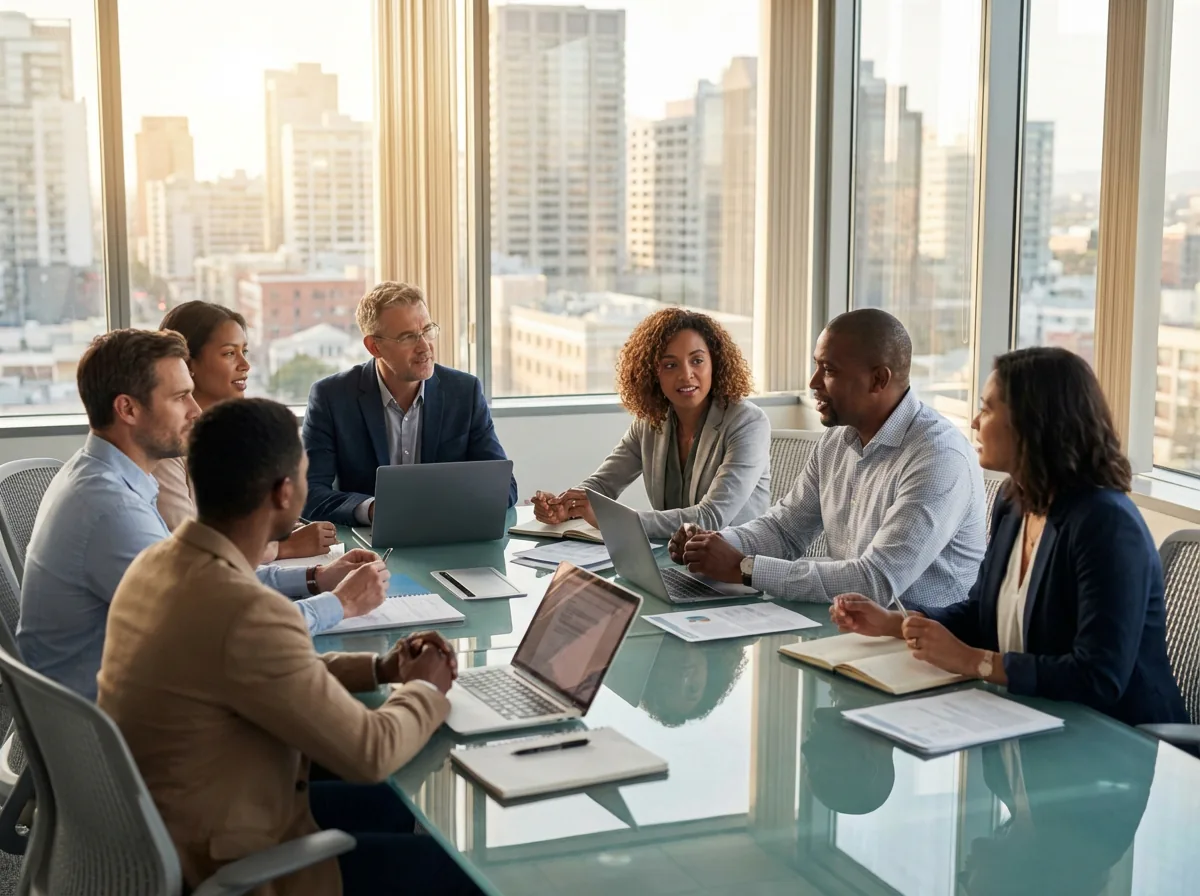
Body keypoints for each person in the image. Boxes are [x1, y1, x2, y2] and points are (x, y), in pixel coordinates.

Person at [98, 398, 477, 896]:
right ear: (284, 493)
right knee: (464, 868)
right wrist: (427, 688)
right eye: (304, 473)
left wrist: (382, 669)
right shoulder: (245, 610)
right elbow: (370, 752)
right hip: (231, 861)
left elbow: (260, 667)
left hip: (181, 823)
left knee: (411, 804)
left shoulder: (158, 564)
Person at [18, 330, 388, 700]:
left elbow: (208, 586)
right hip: (111, 735)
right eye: (180, 397)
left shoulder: (106, 477)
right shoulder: (112, 509)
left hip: (110, 710)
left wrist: (315, 578)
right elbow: (224, 632)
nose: (195, 410)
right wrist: (341, 604)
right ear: (127, 409)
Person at [830, 347, 1188, 728]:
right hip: (1031, 720)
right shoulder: (1014, 501)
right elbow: (982, 612)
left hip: (1119, 743)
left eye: (986, 409)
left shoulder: (1106, 524)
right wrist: (896, 623)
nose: (973, 421)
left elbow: (1099, 677)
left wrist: (974, 661)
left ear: (1033, 422)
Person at [669, 308, 986, 608]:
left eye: (829, 370)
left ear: (879, 380)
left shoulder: (938, 458)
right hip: (845, 628)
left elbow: (875, 581)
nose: (813, 383)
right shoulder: (838, 438)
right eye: (816, 365)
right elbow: (785, 530)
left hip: (915, 646)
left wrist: (744, 567)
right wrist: (713, 544)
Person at [530, 308, 770, 539]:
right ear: (652, 374)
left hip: (737, 568)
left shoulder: (748, 422)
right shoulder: (651, 422)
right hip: (676, 560)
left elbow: (710, 517)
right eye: (670, 365)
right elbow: (603, 484)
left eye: (697, 361)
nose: (686, 374)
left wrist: (614, 519)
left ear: (714, 363)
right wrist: (566, 505)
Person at [302, 281, 516, 525]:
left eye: (427, 330)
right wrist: (373, 510)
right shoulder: (332, 397)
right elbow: (308, 493)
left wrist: (447, 506)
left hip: (448, 538)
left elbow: (504, 486)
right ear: (374, 346)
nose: (425, 347)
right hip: (368, 548)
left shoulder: (464, 392)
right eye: (408, 337)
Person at [154, 301, 337, 560]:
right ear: (188, 363)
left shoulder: (230, 433)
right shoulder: (166, 445)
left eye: (245, 352)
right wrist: (282, 548)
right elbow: (187, 544)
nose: (245, 365)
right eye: (229, 353)